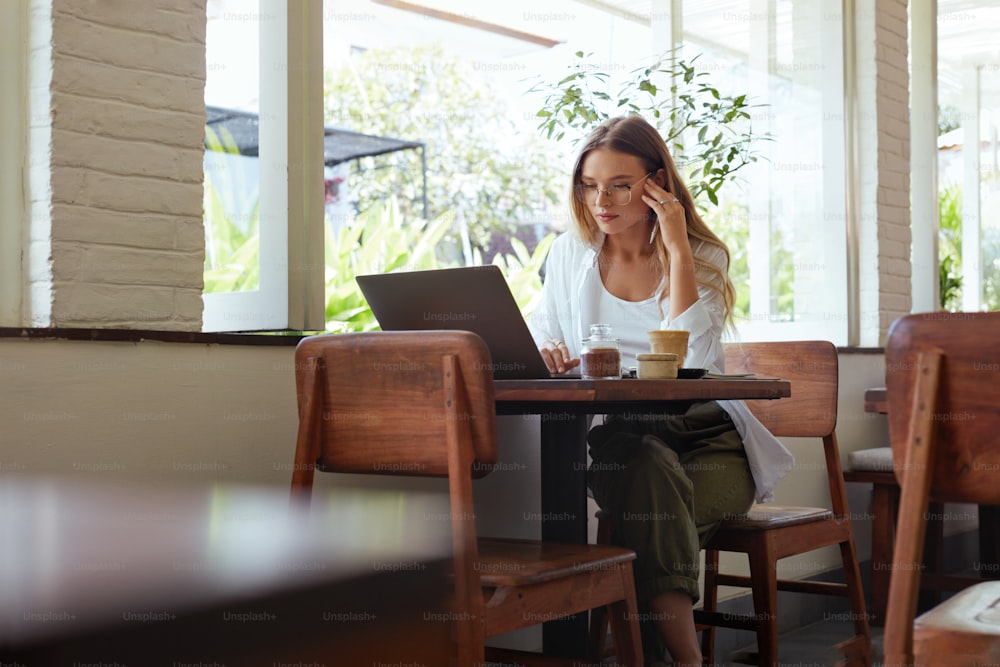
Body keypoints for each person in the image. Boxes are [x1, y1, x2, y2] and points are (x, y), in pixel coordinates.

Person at [528, 115, 794, 666]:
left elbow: (693, 361)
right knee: (650, 471)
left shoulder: (701, 257)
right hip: (627, 439)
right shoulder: (568, 255)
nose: (601, 199)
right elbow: (543, 331)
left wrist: (674, 246)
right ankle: (690, 661)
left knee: (648, 518)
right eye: (589, 184)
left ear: (657, 184)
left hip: (709, 440)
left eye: (620, 185)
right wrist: (546, 351)